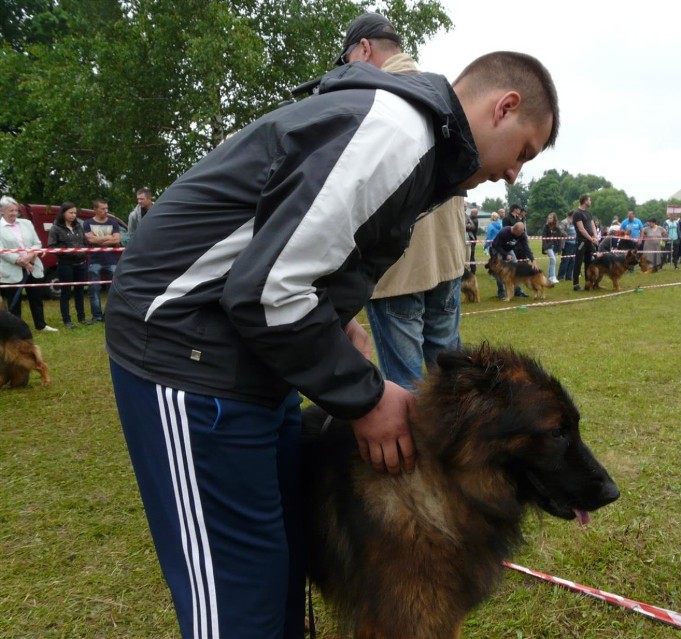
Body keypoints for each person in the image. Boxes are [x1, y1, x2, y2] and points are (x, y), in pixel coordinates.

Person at [104, 44, 559, 639]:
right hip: (186, 354)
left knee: (277, 572)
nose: (512, 173)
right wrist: (365, 398)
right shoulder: (394, 134)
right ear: (505, 105)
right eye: (523, 152)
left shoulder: (409, 141)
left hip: (243, 358)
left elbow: (281, 259)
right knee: (241, 605)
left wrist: (332, 317)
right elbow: (266, 289)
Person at [346, 13, 468, 392]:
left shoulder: (372, 99)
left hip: (396, 271)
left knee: (409, 390)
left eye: (348, 59)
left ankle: (423, 455)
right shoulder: (442, 93)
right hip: (447, 260)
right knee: (452, 388)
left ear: (364, 48)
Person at [0, 195, 57, 332]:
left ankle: (41, 325)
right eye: (10, 211)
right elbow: (2, 250)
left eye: (16, 210)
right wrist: (23, 262)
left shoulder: (26, 223)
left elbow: (37, 243)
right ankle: (15, 328)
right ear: (2, 211)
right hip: (11, 269)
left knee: (36, 298)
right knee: (15, 302)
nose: (14, 213)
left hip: (33, 266)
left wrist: (30, 257)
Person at [47, 201, 90, 328]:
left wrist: (83, 250)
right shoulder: (56, 228)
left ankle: (81, 317)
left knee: (80, 291)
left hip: (81, 263)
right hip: (65, 264)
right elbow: (51, 246)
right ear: (63, 213)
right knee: (66, 292)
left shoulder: (78, 226)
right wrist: (65, 252)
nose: (73, 215)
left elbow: (84, 242)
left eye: (75, 213)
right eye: (70, 213)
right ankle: (67, 320)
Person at [83, 199, 122, 322]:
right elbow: (90, 240)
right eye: (103, 208)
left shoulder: (113, 223)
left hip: (112, 260)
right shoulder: (87, 223)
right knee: (94, 289)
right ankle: (97, 316)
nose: (106, 211)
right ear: (95, 210)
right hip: (95, 260)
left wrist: (99, 239)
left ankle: (110, 315)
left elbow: (116, 240)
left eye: (107, 208)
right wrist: (108, 237)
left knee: (113, 289)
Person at [572, 193, 597, 291]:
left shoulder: (588, 213)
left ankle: (588, 282)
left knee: (589, 262)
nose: (590, 202)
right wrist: (591, 239)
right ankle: (576, 284)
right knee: (578, 262)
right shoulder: (577, 213)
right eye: (589, 200)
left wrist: (595, 236)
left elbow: (593, 225)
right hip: (581, 241)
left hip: (589, 241)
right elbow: (581, 229)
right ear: (585, 201)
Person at [541, 212, 564, 284]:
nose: (549, 219)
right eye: (548, 218)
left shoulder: (557, 228)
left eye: (550, 218)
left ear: (554, 219)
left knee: (552, 262)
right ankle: (552, 276)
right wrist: (544, 247)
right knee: (553, 260)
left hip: (555, 246)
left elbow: (560, 238)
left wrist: (560, 248)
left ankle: (549, 277)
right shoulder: (546, 226)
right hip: (548, 246)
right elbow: (543, 237)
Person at [556, 209, 576, 281]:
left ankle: (569, 276)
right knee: (565, 260)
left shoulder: (574, 222)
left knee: (572, 260)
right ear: (571, 215)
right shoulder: (564, 222)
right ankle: (560, 276)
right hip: (567, 243)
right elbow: (560, 230)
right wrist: (567, 235)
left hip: (574, 243)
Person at [465, 207, 479, 274]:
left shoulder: (475, 220)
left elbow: (472, 227)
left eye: (472, 212)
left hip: (472, 239)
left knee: (471, 255)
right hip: (469, 238)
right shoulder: (469, 218)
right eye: (471, 212)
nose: (471, 213)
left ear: (475, 213)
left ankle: (473, 271)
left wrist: (465, 225)